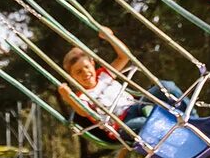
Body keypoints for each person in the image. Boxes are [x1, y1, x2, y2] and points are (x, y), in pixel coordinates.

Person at [56, 27, 185, 141]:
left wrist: (110, 37)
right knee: (145, 124)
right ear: (72, 77)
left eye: (86, 67)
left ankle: (192, 118)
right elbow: (83, 111)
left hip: (137, 105)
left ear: (92, 63)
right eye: (78, 72)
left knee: (166, 87)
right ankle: (178, 135)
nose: (85, 73)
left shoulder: (103, 75)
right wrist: (68, 97)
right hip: (122, 124)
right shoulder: (82, 96)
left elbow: (124, 56)